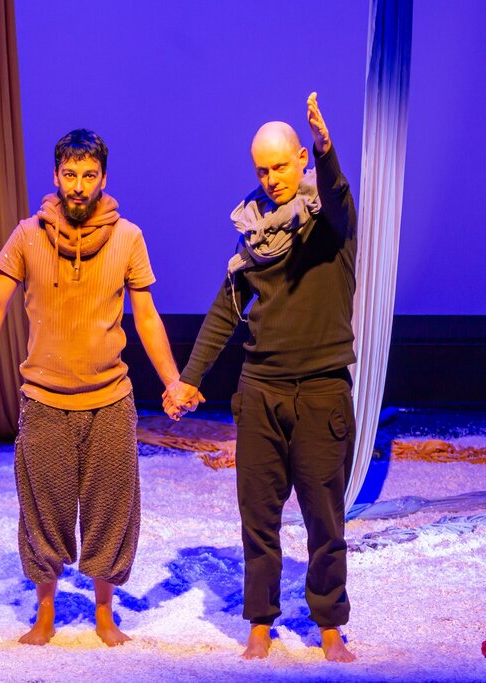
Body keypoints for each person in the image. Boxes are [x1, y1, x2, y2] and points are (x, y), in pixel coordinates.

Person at [0, 130, 189, 647]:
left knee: (111, 510)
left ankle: (105, 615)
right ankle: (45, 614)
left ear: (104, 178)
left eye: (89, 175)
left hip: (109, 399)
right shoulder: (27, 235)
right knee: (42, 511)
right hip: (43, 399)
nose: (79, 186)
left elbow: (147, 318)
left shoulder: (128, 237)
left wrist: (172, 380)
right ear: (55, 177)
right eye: (70, 175)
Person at [165, 94, 358, 662]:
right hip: (261, 391)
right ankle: (260, 622)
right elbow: (226, 308)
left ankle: (329, 625)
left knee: (325, 518)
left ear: (300, 159)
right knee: (258, 516)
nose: (272, 179)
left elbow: (337, 195)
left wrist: (326, 149)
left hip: (321, 390)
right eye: (261, 170)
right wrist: (189, 378)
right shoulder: (252, 234)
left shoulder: (330, 222)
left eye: (280, 166)